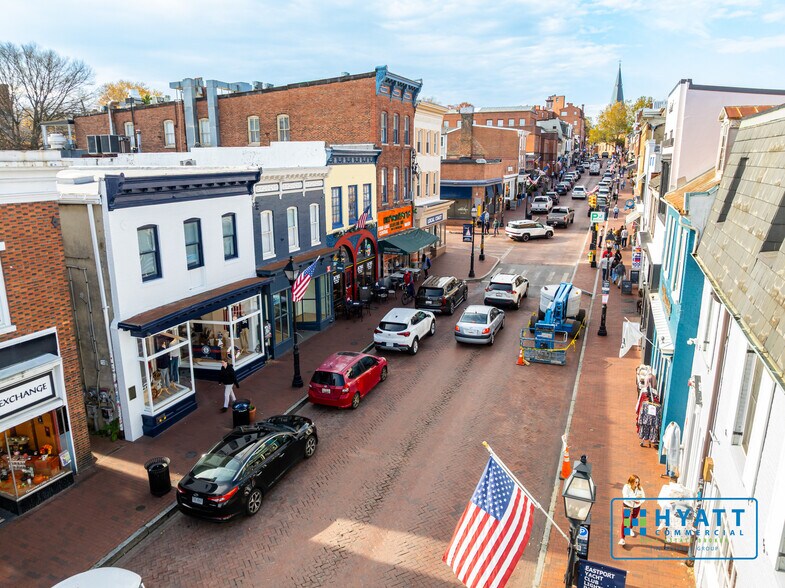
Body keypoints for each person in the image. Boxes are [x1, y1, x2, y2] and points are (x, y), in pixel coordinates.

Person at [619, 475, 645, 545]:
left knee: (634, 519)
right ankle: (622, 538)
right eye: (635, 482)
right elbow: (625, 497)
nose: (637, 483)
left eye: (638, 482)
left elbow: (643, 498)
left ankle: (630, 529)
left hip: (636, 506)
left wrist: (639, 501)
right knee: (625, 522)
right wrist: (635, 498)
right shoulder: (626, 487)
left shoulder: (640, 488)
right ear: (631, 481)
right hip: (627, 506)